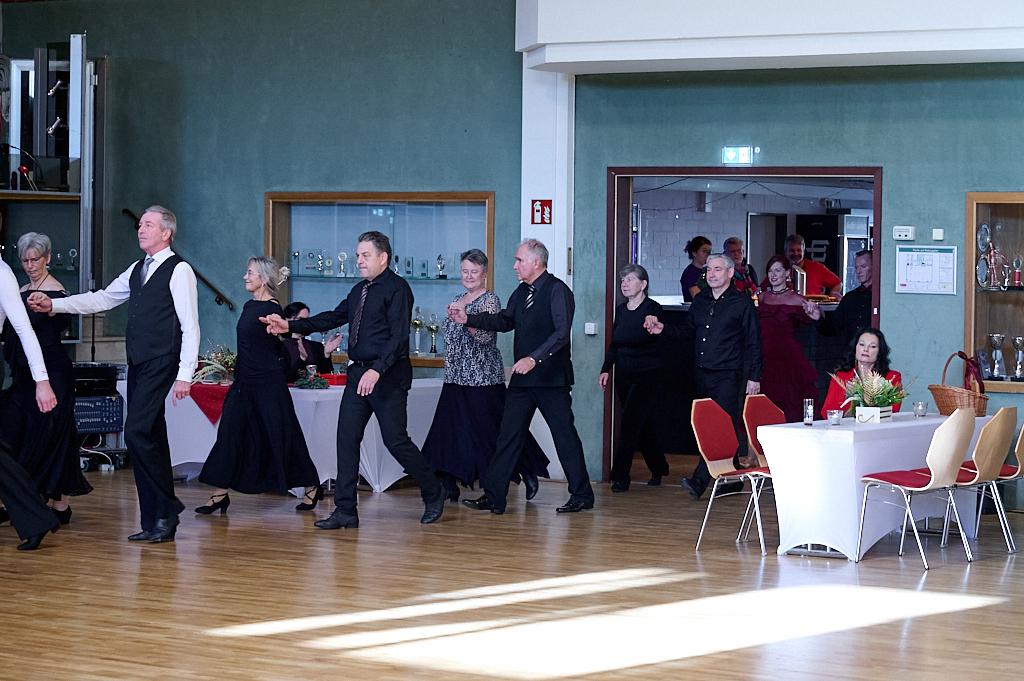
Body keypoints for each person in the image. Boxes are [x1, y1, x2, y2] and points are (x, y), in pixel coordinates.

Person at [29, 205, 199, 543]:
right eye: (140, 224)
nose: (140, 229)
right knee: (151, 435)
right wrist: (55, 305)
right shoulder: (138, 268)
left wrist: (185, 374)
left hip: (162, 361)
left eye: (148, 224)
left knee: (135, 432)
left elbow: (190, 325)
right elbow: (102, 299)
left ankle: (167, 507)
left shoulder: (180, 271)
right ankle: (157, 521)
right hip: (139, 361)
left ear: (166, 233)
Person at [261, 230, 444, 528]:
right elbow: (332, 318)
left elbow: (399, 338)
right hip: (358, 373)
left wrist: (377, 370)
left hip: (387, 376)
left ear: (383, 258)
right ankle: (346, 511)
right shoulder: (359, 290)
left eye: (365, 255)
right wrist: (289, 324)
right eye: (358, 255)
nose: (359, 260)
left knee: (395, 441)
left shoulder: (398, 289)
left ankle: (433, 490)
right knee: (346, 439)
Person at [451, 238, 595, 515]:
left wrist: (533, 358)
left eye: (519, 260)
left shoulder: (557, 290)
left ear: (536, 262)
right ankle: (495, 495)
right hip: (523, 379)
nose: (514, 266)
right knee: (508, 436)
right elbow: (504, 321)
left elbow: (561, 334)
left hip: (551, 380)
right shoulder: (521, 291)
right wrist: (467, 319)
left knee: (564, 436)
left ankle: (581, 494)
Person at [194, 257, 323, 515]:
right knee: (230, 432)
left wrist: (279, 335)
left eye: (250, 273)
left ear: (263, 279)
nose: (245, 276)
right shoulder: (249, 305)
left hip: (267, 382)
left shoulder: (272, 309)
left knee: (282, 434)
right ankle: (220, 493)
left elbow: (279, 343)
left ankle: (311, 485)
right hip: (245, 382)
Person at [420, 249, 549, 502]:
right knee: (448, 431)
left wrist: (465, 320)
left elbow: (485, 336)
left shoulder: (490, 301)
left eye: (474, 272)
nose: (469, 276)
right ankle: (448, 482)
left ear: (484, 275)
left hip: (482, 379)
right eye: (465, 271)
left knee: (495, 432)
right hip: (456, 377)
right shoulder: (458, 298)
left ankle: (526, 470)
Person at [644, 253, 762, 499]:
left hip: (729, 374)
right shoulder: (701, 300)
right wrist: (663, 328)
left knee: (722, 425)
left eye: (718, 269)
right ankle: (731, 480)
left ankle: (700, 480)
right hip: (702, 372)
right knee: (715, 426)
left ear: (730, 273)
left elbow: (754, 342)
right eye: (709, 270)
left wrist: (754, 377)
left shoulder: (742, 303)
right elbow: (687, 331)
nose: (712, 274)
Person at [1, 233, 92, 524]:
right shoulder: (20, 288)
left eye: (35, 259)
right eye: (25, 260)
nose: (30, 265)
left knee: (52, 434)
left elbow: (57, 328)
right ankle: (42, 502)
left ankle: (54, 503)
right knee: (20, 433)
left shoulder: (56, 293)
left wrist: (48, 306)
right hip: (22, 376)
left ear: (48, 258)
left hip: (52, 376)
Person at [0, 257, 61, 550]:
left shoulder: (1, 272)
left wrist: (42, 380)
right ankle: (36, 517)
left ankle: (35, 517)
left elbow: (24, 328)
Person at [599, 264, 669, 491]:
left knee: (629, 423)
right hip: (624, 374)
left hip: (647, 374)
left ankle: (620, 476)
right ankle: (658, 466)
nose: (624, 284)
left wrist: (651, 321)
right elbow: (615, 343)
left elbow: (657, 330)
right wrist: (606, 368)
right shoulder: (620, 310)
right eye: (623, 281)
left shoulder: (653, 308)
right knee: (642, 423)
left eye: (629, 280)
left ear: (643, 284)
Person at [757, 255, 822, 426]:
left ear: (787, 273)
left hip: (788, 359)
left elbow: (814, 321)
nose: (773, 274)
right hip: (764, 358)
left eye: (778, 270)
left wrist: (816, 315)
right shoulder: (762, 297)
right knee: (763, 409)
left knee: (791, 405)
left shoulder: (798, 299)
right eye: (770, 271)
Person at [822, 328, 903, 418]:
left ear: (879, 352)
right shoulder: (841, 376)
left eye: (872, 346)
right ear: (855, 348)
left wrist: (862, 396)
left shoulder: (892, 377)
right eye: (861, 344)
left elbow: (892, 411)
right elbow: (826, 412)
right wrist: (848, 398)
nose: (865, 349)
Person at [821, 249, 873, 347]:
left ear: (874, 267)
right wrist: (818, 317)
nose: (858, 271)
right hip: (851, 354)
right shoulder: (849, 298)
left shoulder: (882, 297)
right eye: (856, 267)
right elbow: (833, 328)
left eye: (863, 266)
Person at [280, 301, 339, 382]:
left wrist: (326, 354)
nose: (304, 324)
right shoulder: (279, 347)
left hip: (315, 393)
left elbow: (326, 375)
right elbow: (284, 377)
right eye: (300, 319)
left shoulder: (317, 347)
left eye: (307, 320)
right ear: (287, 319)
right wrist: (302, 359)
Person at [785, 234, 842, 299]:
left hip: (812, 308)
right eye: (792, 250)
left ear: (803, 251)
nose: (796, 253)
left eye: (799, 250)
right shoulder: (778, 269)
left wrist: (830, 300)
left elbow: (837, 283)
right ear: (785, 251)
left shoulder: (817, 268)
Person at [680, 236, 712, 301]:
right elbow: (698, 298)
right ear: (694, 253)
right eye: (704, 251)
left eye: (709, 252)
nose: (707, 255)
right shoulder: (690, 273)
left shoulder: (705, 271)